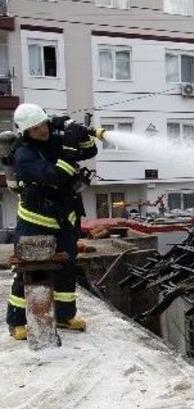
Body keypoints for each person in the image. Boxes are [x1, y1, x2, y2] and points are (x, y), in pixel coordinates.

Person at [5, 104, 99, 341]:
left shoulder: (54, 139)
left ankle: (66, 316)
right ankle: (16, 322)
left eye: (43, 124)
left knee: (67, 270)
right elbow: (55, 177)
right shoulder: (24, 154)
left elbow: (88, 152)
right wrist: (68, 147)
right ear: (26, 131)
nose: (42, 131)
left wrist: (78, 135)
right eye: (35, 129)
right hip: (35, 222)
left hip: (64, 219)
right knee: (31, 271)